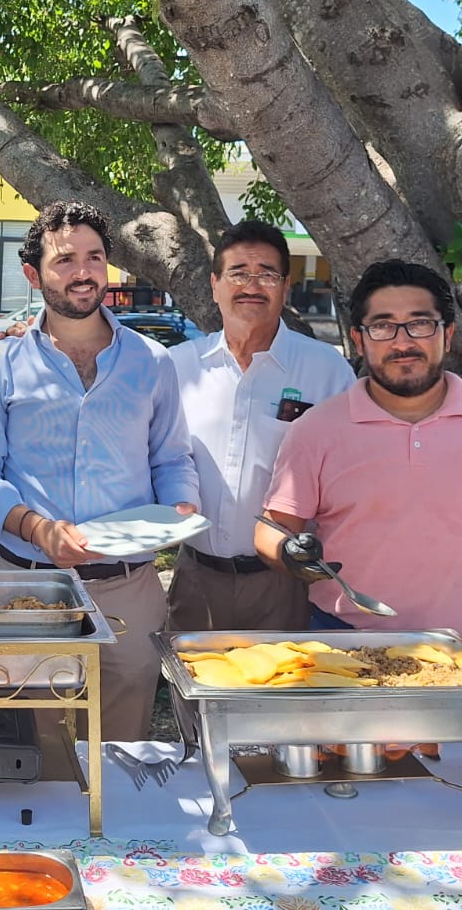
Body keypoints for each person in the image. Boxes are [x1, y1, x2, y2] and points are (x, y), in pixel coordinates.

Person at [0, 202, 199, 740]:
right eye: (65, 259)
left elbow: (171, 458)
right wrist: (35, 528)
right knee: (33, 750)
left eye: (94, 257)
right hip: (29, 587)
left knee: (123, 748)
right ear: (33, 274)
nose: (83, 272)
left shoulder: (152, 361)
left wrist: (180, 506)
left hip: (128, 587)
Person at [254, 259, 462, 664]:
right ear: (359, 339)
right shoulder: (316, 429)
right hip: (344, 645)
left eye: (420, 324)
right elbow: (273, 528)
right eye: (382, 326)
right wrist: (287, 553)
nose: (402, 342)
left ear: (448, 335)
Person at [167, 222, 354, 634]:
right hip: (196, 578)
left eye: (267, 274)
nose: (251, 286)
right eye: (238, 273)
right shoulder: (178, 367)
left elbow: (351, 476)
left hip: (287, 583)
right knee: (187, 678)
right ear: (215, 285)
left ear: (285, 287)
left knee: (288, 677)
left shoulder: (327, 371)